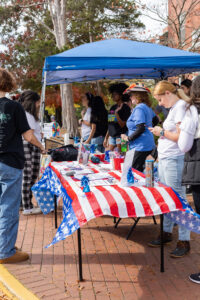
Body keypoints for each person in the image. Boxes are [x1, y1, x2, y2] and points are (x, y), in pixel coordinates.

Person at [0, 68, 46, 263]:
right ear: (8, 83)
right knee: (9, 207)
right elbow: (28, 135)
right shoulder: (13, 107)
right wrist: (41, 146)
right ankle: (5, 251)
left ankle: (4, 245)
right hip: (9, 162)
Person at [148, 80, 191, 258]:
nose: (159, 104)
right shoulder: (175, 108)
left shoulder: (180, 107)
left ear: (167, 93)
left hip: (174, 159)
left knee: (178, 199)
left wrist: (161, 132)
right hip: (167, 159)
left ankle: (184, 239)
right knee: (167, 197)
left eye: (159, 99)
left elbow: (181, 137)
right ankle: (166, 232)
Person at [121, 84, 159, 172]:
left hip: (140, 146)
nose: (130, 98)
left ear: (137, 95)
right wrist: (149, 128)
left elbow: (140, 127)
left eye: (131, 95)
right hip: (148, 144)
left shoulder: (139, 108)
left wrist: (128, 138)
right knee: (144, 174)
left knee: (135, 173)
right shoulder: (146, 107)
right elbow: (156, 120)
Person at [19, 91, 45, 215]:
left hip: (32, 147)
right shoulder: (27, 115)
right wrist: (41, 146)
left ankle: (25, 203)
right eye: (38, 102)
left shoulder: (29, 115)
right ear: (33, 102)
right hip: (29, 146)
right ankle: (27, 207)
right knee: (27, 176)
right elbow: (29, 137)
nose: (39, 104)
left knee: (31, 176)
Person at [103, 83, 131, 152]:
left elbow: (122, 124)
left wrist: (116, 114)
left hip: (122, 136)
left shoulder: (126, 108)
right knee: (111, 155)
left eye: (115, 94)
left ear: (121, 95)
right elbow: (110, 124)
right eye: (112, 94)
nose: (113, 96)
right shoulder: (113, 107)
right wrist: (106, 138)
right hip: (112, 136)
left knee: (122, 153)